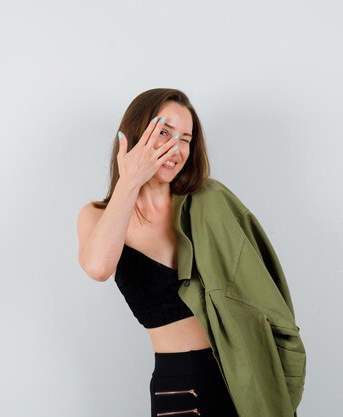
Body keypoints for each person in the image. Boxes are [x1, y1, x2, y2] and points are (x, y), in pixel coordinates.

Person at [76, 88, 240, 416]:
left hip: (242, 374)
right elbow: (98, 268)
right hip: (181, 386)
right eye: (164, 132)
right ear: (136, 134)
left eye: (185, 138)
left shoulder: (203, 203)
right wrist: (130, 181)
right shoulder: (96, 215)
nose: (175, 148)